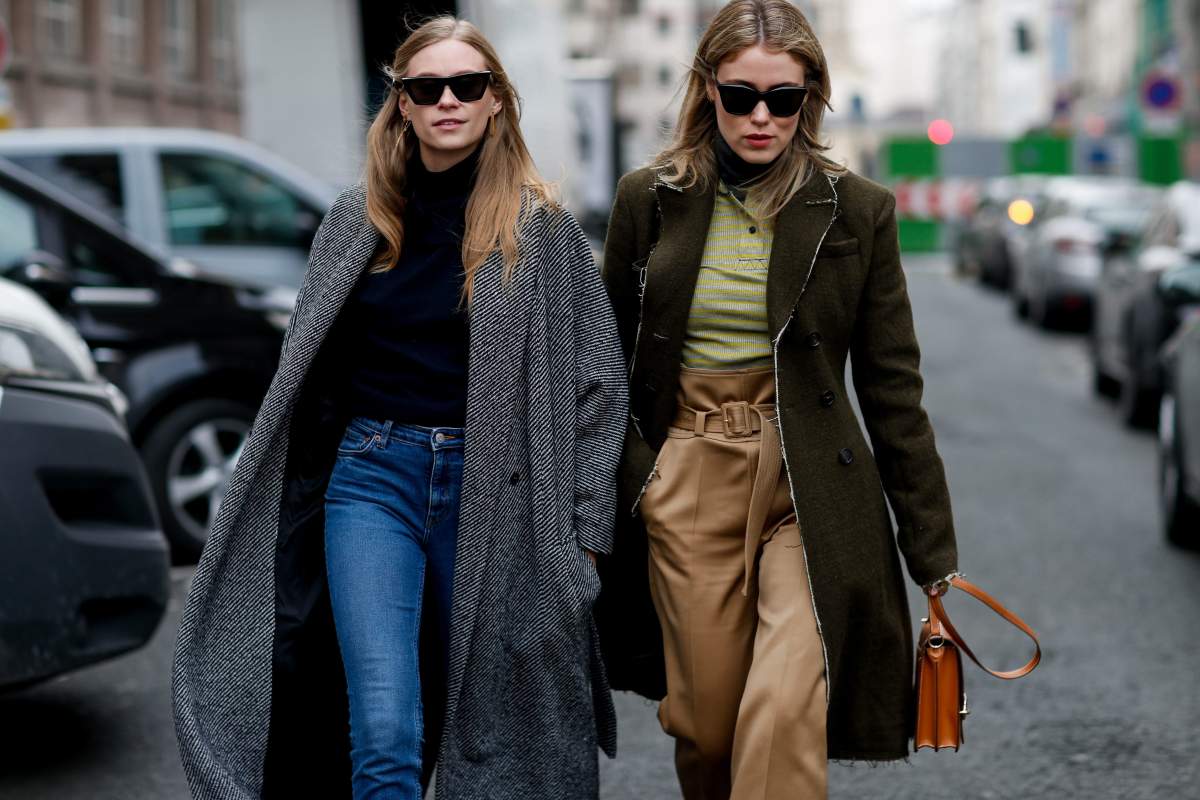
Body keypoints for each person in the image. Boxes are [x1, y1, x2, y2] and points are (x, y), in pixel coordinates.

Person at [173, 16, 626, 800]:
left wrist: (584, 535)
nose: (448, 100)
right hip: (371, 481)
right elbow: (303, 377)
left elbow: (600, 382)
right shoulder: (357, 221)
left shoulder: (538, 228)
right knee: (385, 725)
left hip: (501, 500)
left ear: (495, 102)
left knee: (490, 725)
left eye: (467, 85)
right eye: (427, 88)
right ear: (403, 106)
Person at [597, 1, 961, 797]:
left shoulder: (856, 209)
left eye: (784, 99)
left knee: (786, 701)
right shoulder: (648, 198)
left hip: (812, 485)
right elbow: (603, 362)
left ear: (812, 97)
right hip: (687, 471)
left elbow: (893, 388)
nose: (762, 117)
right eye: (740, 96)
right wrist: (639, 482)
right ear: (706, 91)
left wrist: (932, 552)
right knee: (708, 723)